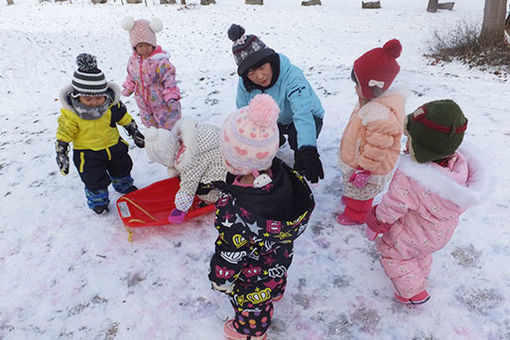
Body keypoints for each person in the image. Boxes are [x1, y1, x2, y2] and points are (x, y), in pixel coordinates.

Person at [209, 94, 315, 339]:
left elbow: (230, 252)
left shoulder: (235, 211)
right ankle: (277, 286)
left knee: (251, 296)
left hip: (252, 273)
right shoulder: (284, 180)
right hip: (279, 257)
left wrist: (220, 278)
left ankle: (251, 328)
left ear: (233, 161)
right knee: (274, 262)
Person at [365, 100, 487, 304]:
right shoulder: (459, 169)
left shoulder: (413, 177)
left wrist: (377, 220)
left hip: (412, 232)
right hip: (437, 234)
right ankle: (420, 273)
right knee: (418, 252)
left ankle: (413, 293)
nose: (406, 144)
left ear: (424, 149)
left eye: (410, 140)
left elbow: (394, 204)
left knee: (393, 254)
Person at [227, 23, 325, 184]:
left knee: (297, 139)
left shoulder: (292, 75)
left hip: (306, 116)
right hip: (274, 120)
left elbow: (302, 113)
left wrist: (308, 150)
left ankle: (299, 153)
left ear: (270, 60)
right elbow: (244, 114)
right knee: (260, 141)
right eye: (251, 72)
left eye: (261, 67)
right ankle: (276, 140)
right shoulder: (245, 83)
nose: (259, 76)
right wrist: (242, 157)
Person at [55, 53, 145, 214]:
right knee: (93, 178)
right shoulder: (72, 114)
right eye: (88, 99)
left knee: (122, 167)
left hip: (114, 146)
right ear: (77, 96)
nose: (94, 102)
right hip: (88, 154)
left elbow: (123, 117)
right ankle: (98, 200)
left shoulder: (111, 106)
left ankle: (123, 184)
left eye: (99, 98)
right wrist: (61, 151)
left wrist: (133, 130)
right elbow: (64, 132)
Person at [337, 39, 406, 225]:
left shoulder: (379, 114)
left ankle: (356, 215)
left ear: (370, 87)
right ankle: (353, 200)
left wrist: (364, 170)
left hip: (368, 168)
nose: (354, 88)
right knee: (356, 191)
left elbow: (377, 147)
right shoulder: (369, 104)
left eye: (358, 84)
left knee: (362, 195)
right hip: (360, 159)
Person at [144, 118, 227, 224]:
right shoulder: (193, 133)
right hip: (232, 158)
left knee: (201, 190)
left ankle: (216, 197)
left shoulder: (188, 160)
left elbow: (188, 188)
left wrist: (179, 210)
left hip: (224, 176)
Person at [121, 17, 182, 130]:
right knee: (151, 127)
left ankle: (174, 142)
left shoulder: (161, 62)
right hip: (144, 104)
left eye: (147, 45)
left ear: (153, 44)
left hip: (162, 103)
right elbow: (131, 76)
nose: (144, 49)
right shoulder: (133, 61)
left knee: (168, 126)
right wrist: (129, 87)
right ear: (135, 47)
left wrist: (171, 96)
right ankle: (157, 143)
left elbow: (169, 80)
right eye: (140, 46)